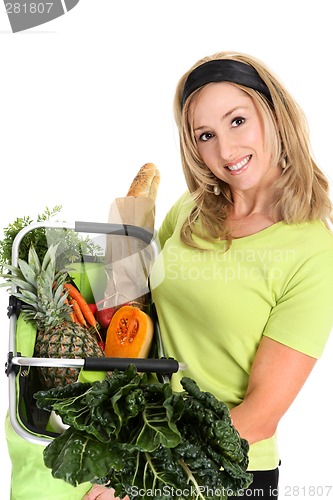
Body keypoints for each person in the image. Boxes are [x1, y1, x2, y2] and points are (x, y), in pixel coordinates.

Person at [83, 51, 333, 499]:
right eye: (205, 135)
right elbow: (136, 303)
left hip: (224, 472)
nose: (226, 151)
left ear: (273, 112)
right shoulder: (192, 209)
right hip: (146, 439)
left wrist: (144, 470)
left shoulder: (313, 250)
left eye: (237, 121)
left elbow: (260, 414)